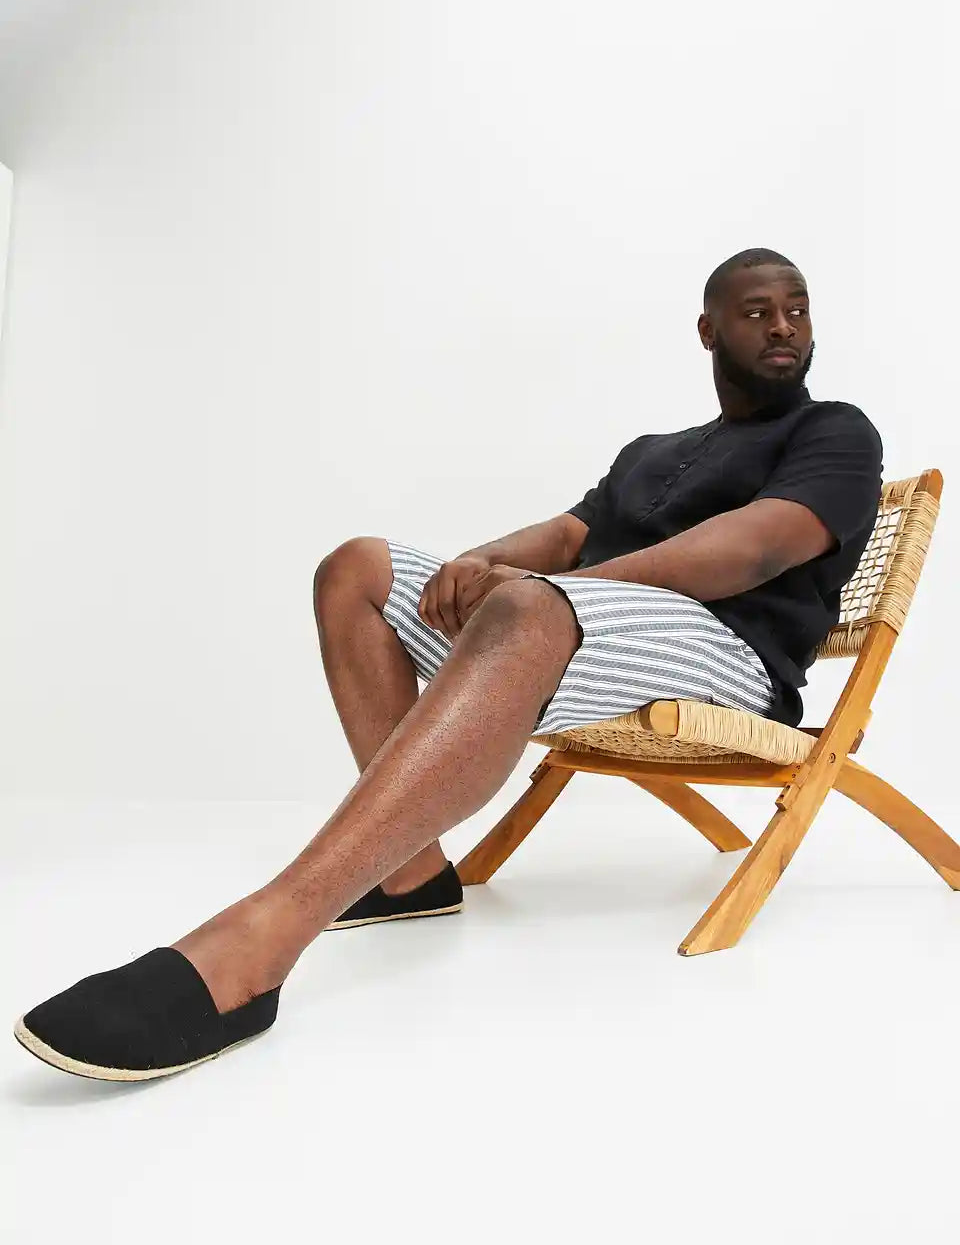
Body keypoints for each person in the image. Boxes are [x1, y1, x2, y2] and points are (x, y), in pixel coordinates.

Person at [14, 247, 883, 1081]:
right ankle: (410, 871)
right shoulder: (652, 450)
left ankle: (266, 933)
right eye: (757, 312)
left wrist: (544, 590)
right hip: (594, 632)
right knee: (358, 569)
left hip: (729, 657)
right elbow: (569, 532)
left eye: (797, 310)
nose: (783, 326)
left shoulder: (835, 432)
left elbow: (755, 548)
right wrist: (482, 559)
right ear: (708, 330)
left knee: (527, 606)